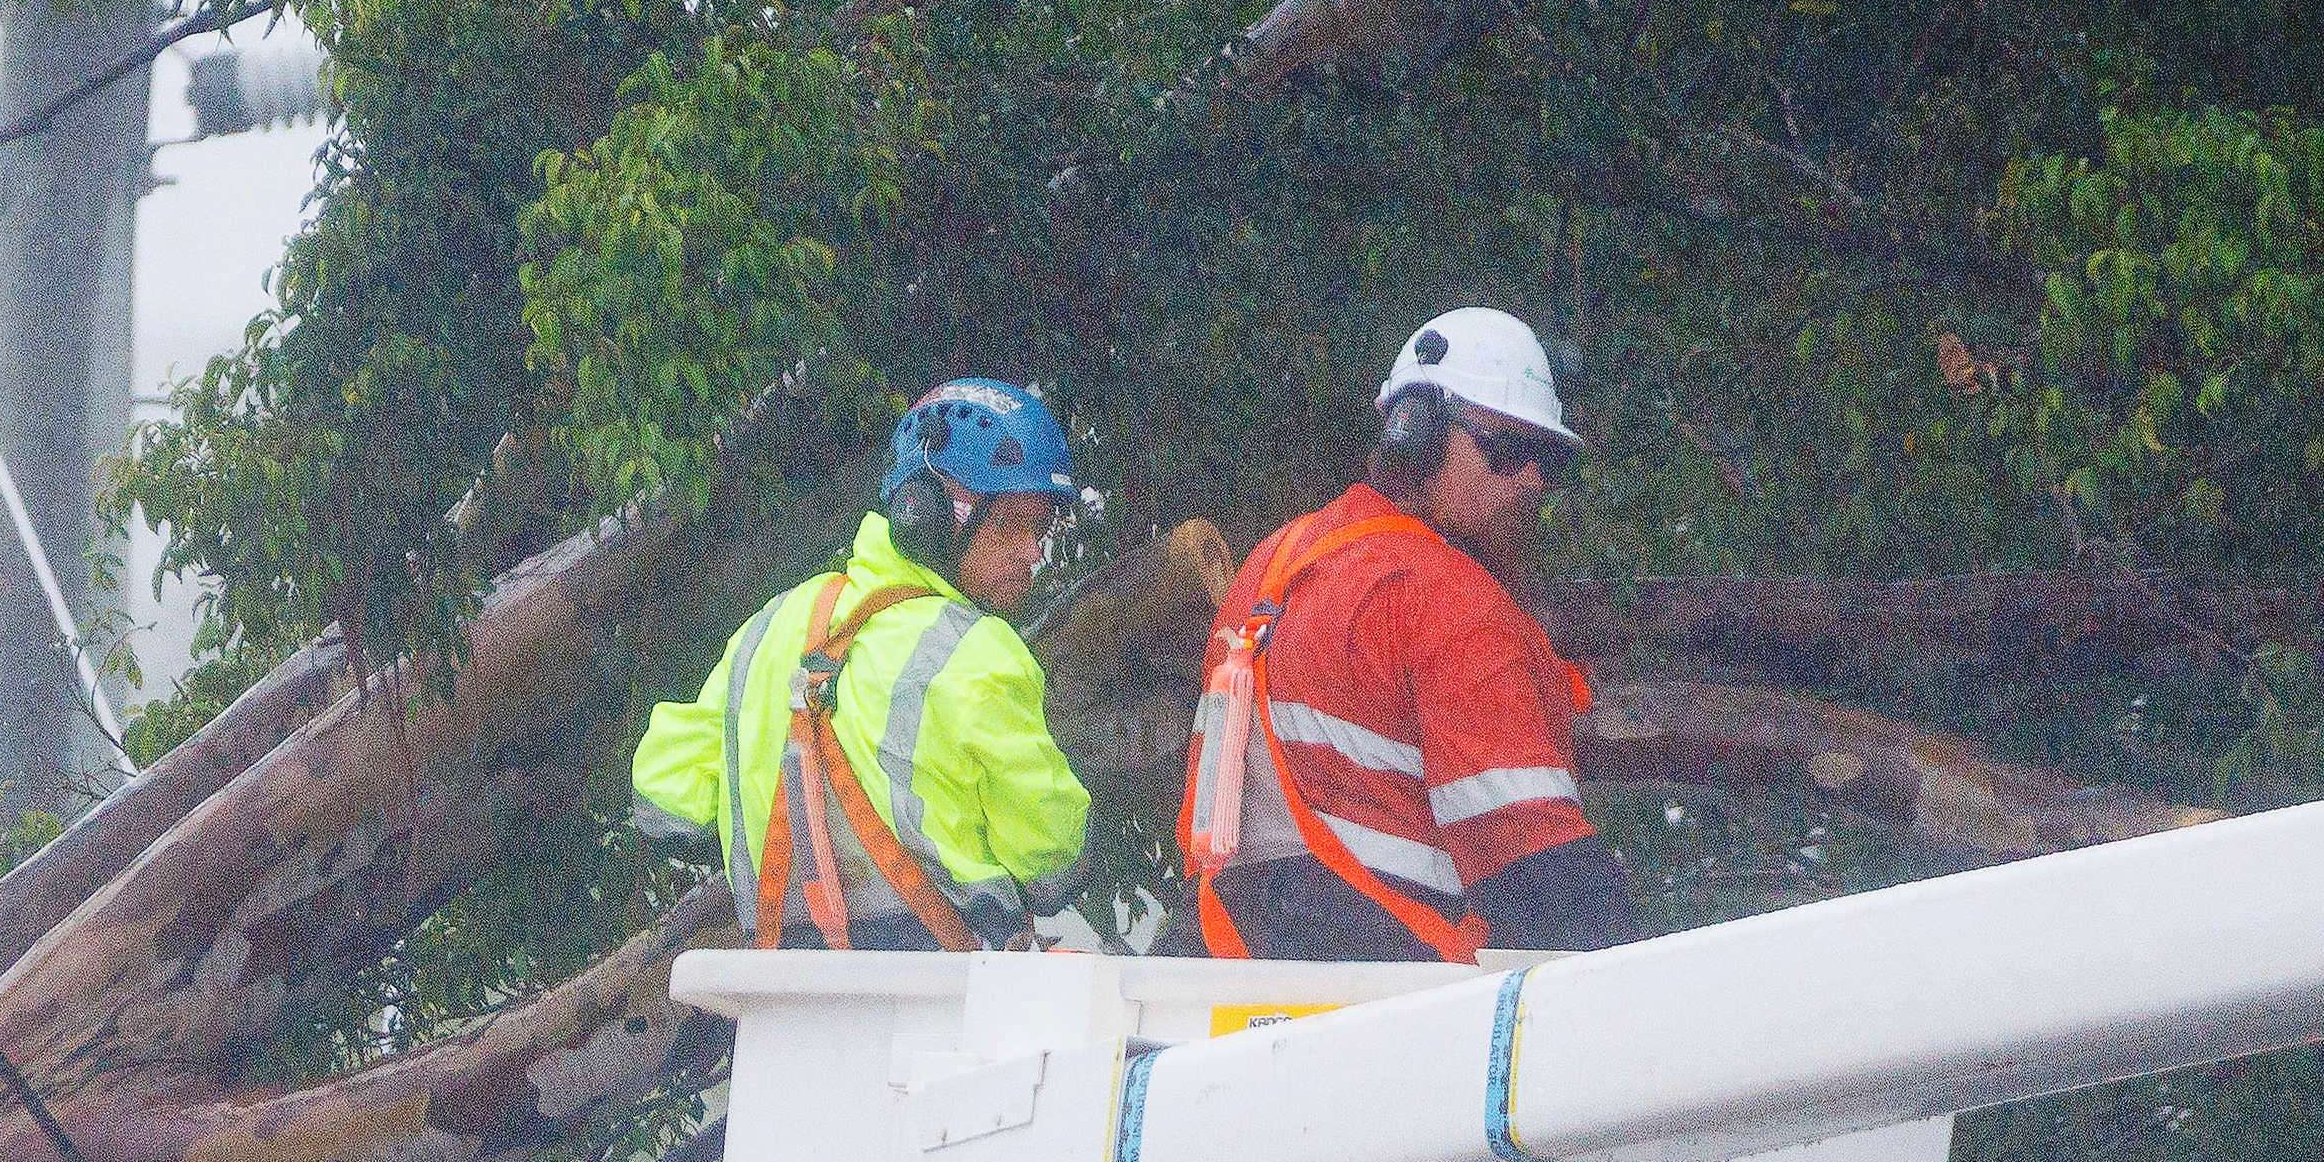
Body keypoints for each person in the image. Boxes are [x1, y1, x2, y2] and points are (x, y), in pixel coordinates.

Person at [1182, 307, 1637, 960]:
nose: (1534, 480)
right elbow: (1541, 874)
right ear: (1416, 437)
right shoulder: (1449, 599)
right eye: (1510, 452)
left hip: (1227, 954)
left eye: (1548, 461)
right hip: (1392, 979)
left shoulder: (1272, 564)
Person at [636, 380, 1097, 951]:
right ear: (926, 512)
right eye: (1010, 525)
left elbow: (664, 789)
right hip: (943, 997)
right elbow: (1048, 855)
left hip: (787, 996)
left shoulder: (774, 625)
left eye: (1040, 529)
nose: (1031, 552)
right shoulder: (981, 651)